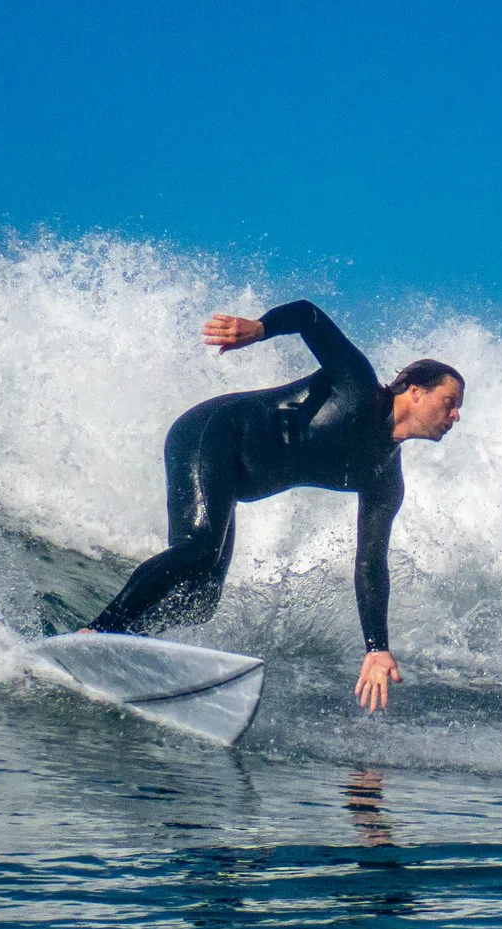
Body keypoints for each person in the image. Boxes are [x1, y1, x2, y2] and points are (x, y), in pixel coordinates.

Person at [84, 300, 464, 713]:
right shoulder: (356, 385)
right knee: (198, 549)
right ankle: (96, 633)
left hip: (234, 481)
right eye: (450, 401)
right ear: (415, 391)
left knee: (202, 600)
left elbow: (370, 564)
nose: (456, 415)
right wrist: (260, 329)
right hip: (210, 436)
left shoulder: (384, 478)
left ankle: (125, 641)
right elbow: (308, 315)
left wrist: (376, 648)